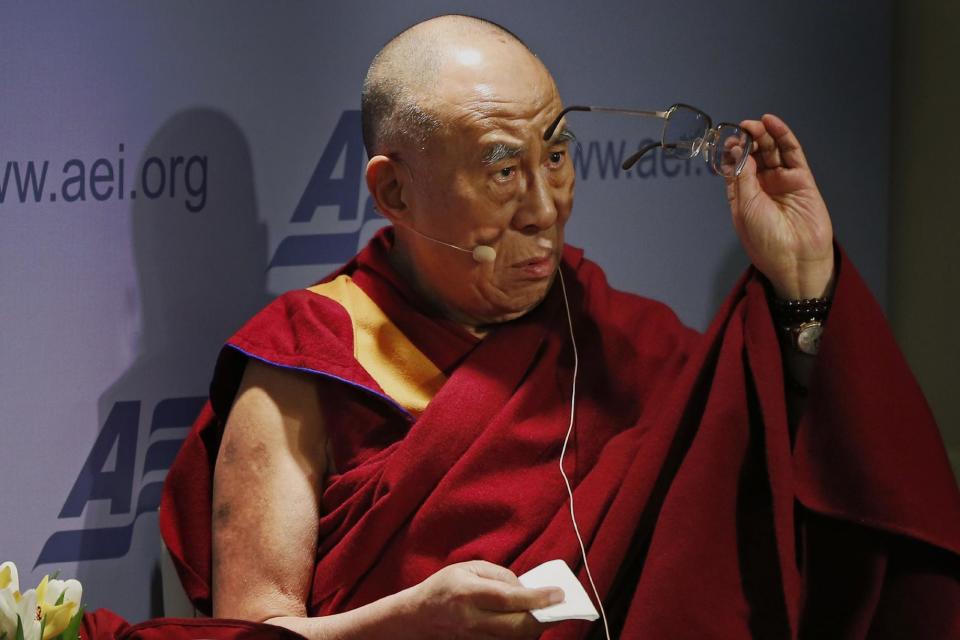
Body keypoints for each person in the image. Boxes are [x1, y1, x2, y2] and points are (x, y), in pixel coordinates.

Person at [160, 14, 960, 639]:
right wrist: (403, 624)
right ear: (394, 193)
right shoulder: (308, 362)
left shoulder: (613, 336)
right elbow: (252, 634)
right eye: (503, 169)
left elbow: (800, 484)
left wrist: (803, 280)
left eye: (557, 155)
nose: (547, 209)